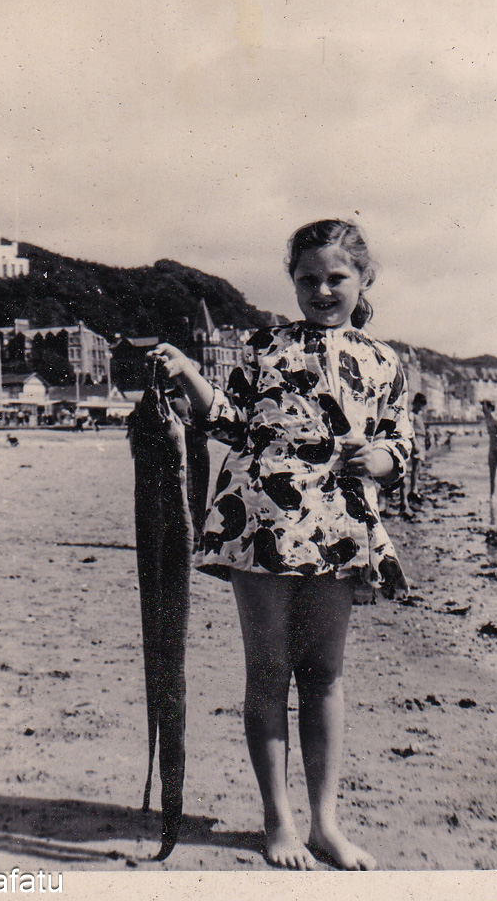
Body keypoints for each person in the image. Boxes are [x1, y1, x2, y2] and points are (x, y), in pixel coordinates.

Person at [151, 219, 411, 871]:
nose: (321, 290)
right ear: (292, 282)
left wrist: (375, 459)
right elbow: (226, 422)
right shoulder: (261, 347)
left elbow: (399, 444)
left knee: (323, 675)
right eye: (307, 279)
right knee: (267, 672)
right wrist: (185, 372)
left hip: (340, 525)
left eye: (335, 278)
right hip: (261, 521)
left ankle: (325, 823)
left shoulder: (385, 361)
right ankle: (278, 821)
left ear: (362, 279)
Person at [399, 392, 428, 516]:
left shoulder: (419, 415)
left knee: (418, 468)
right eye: (419, 404)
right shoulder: (411, 415)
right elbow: (410, 430)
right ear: (415, 403)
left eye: (423, 405)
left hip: (421, 442)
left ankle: (414, 490)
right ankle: (412, 492)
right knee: (413, 468)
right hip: (416, 442)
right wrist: (415, 443)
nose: (421, 407)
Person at [481, 399, 497, 498]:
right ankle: (492, 496)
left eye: (484, 406)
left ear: (490, 407)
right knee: (492, 474)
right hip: (492, 449)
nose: (482, 408)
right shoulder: (487, 420)